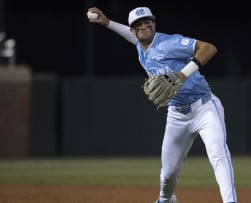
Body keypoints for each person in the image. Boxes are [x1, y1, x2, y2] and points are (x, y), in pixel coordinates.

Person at [87, 6, 237, 203]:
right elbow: (132, 36)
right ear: (133, 30)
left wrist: (183, 74)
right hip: (176, 115)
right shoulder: (141, 45)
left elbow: (209, 48)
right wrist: (108, 23)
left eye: (147, 21)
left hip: (205, 108)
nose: (144, 26)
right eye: (138, 24)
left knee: (218, 154)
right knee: (168, 173)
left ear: (154, 23)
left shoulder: (169, 42)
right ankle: (165, 200)